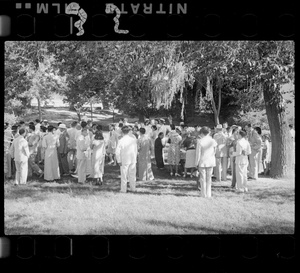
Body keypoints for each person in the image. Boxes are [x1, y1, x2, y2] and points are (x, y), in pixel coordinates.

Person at [195, 127, 217, 197]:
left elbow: (198, 153)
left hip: (202, 161)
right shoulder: (213, 141)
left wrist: (196, 163)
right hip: (210, 161)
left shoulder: (200, 141)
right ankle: (208, 194)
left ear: (201, 133)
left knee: (202, 178)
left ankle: (203, 194)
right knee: (209, 178)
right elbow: (215, 151)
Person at [115, 126, 138, 193]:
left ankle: (123, 189)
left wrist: (119, 160)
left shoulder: (121, 141)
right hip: (132, 159)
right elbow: (135, 150)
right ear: (128, 132)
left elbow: (117, 152)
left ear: (122, 132)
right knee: (132, 175)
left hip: (124, 159)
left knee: (124, 175)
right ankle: (133, 188)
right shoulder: (133, 140)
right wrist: (135, 158)